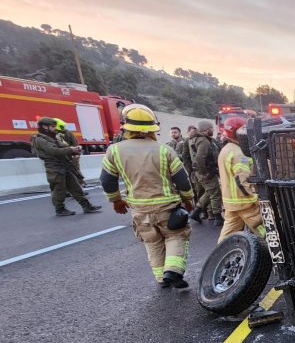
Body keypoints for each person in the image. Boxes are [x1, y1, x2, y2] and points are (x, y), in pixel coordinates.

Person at [99, 104, 194, 288]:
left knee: (152, 242)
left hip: (140, 210)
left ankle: (161, 278)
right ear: (153, 127)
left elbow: (107, 180)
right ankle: (173, 271)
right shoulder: (164, 150)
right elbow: (182, 180)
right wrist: (188, 199)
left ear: (126, 127)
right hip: (168, 208)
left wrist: (116, 200)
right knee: (176, 237)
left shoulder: (115, 151)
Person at [30, 117, 102, 216]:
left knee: (76, 187)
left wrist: (74, 148)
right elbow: (53, 151)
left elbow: (62, 145)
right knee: (59, 190)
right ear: (45, 127)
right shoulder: (39, 139)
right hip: (54, 168)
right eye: (52, 126)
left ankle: (87, 206)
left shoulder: (51, 137)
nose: (55, 128)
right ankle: (60, 209)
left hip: (64, 166)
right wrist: (71, 150)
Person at [216, 116, 265, 243]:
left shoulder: (226, 150)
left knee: (226, 236)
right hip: (245, 202)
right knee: (265, 231)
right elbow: (242, 180)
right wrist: (256, 197)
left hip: (231, 203)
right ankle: (274, 254)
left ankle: (219, 256)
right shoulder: (239, 153)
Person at [188, 120, 223, 226]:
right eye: (211, 128)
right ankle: (217, 217)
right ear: (205, 129)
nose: (212, 130)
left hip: (203, 171)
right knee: (215, 193)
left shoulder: (196, 139)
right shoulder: (203, 141)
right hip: (206, 171)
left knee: (209, 192)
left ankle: (196, 212)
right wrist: (204, 172)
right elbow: (200, 158)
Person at [53, 118, 86, 187]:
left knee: (75, 170)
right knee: (69, 172)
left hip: (71, 156)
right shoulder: (55, 135)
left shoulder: (67, 133)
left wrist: (76, 154)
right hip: (63, 156)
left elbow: (75, 144)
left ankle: (80, 185)